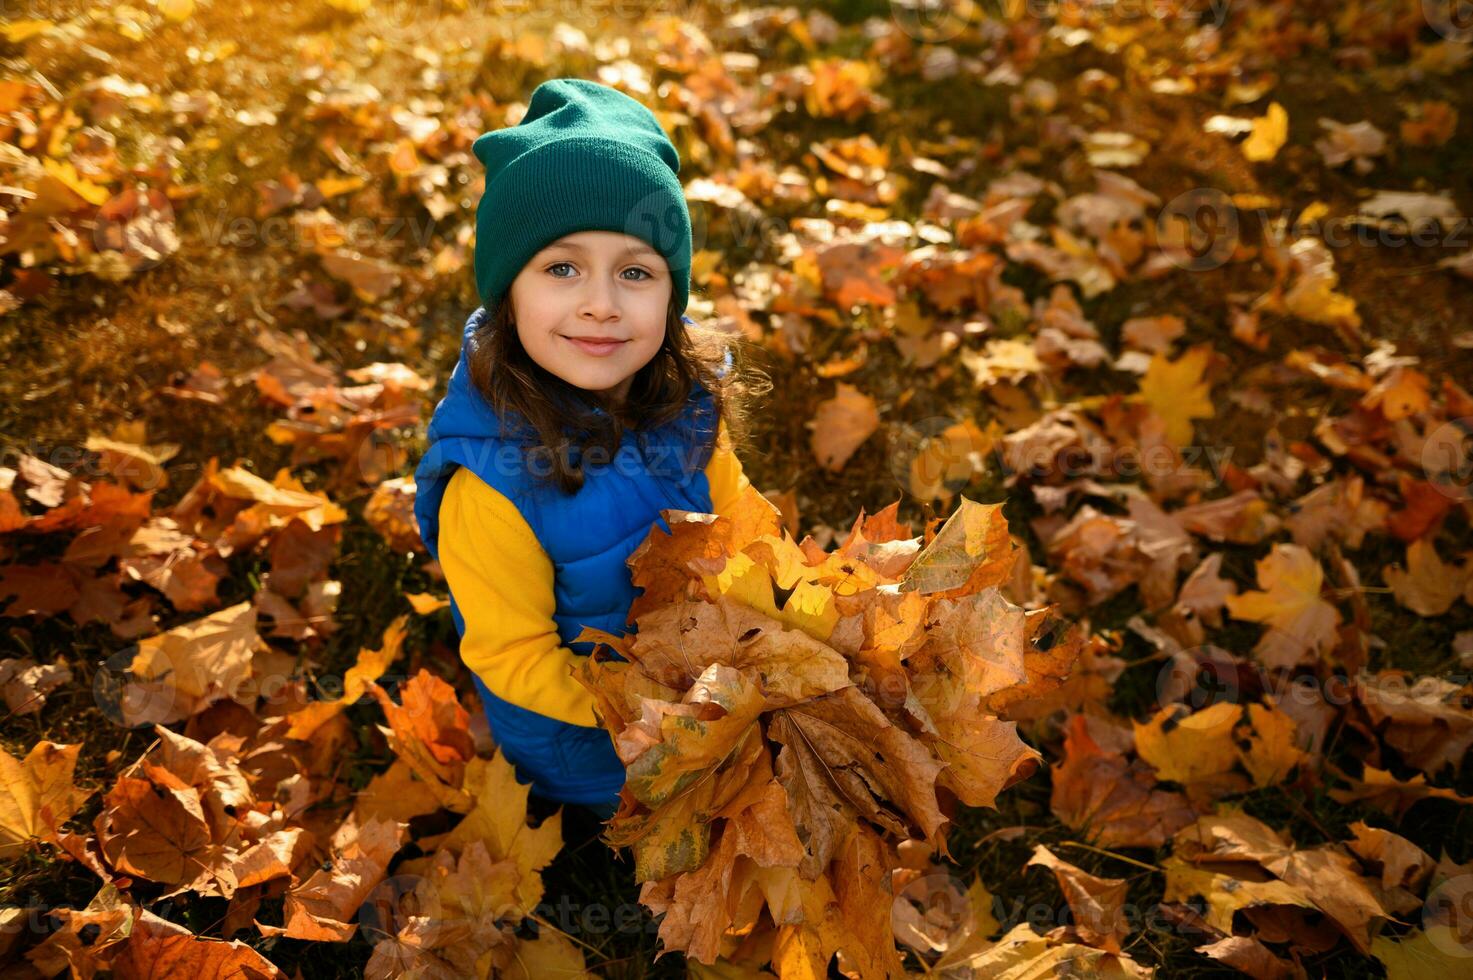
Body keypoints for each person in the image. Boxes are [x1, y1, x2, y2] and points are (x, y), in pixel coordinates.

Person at [413, 77, 770, 823]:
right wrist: (647, 708)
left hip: (702, 688)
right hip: (583, 744)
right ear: (507, 292)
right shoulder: (492, 485)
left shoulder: (691, 407)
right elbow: (512, 656)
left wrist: (771, 618)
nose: (601, 302)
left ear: (671, 297)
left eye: (635, 272)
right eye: (561, 268)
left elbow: (741, 526)